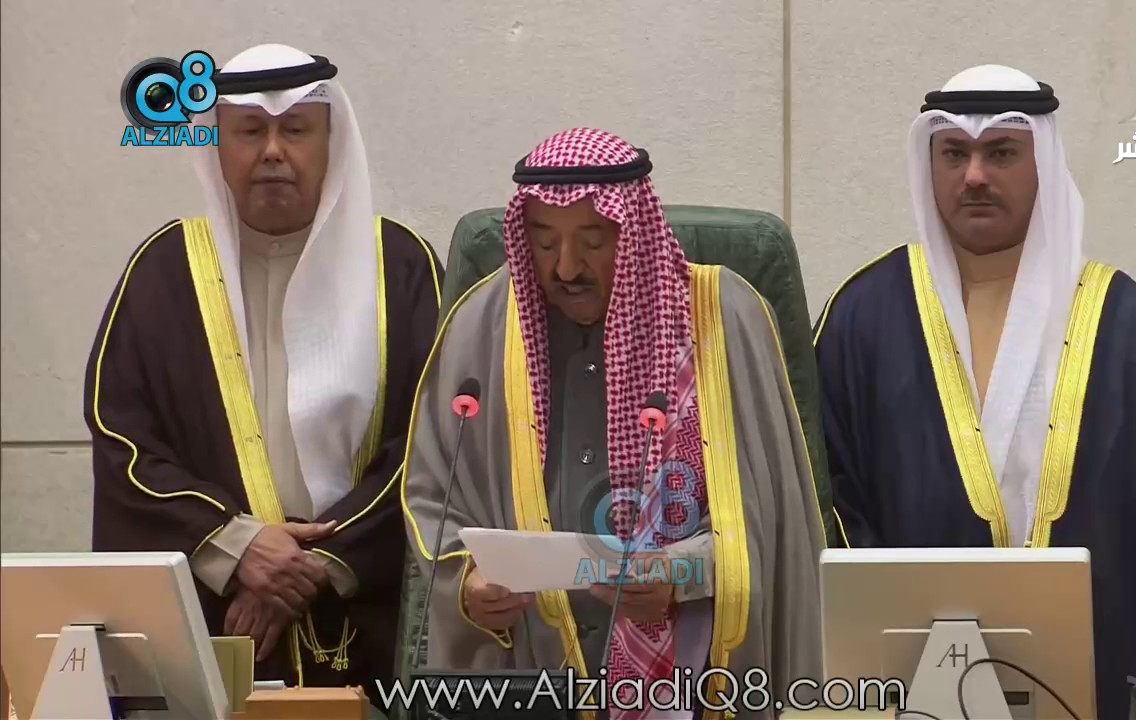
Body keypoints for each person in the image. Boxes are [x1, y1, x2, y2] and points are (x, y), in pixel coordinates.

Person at [813, 64, 1136, 719]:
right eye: (954, 153)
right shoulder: (862, 318)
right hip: (911, 682)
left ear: (1042, 163)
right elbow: (831, 509)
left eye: (1000, 152)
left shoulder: (1126, 325)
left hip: (1094, 674)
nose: (974, 175)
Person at [402, 128, 824, 719]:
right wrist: (466, 585)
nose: (565, 267)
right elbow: (431, 496)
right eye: (543, 243)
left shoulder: (720, 318)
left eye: (593, 241)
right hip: (530, 674)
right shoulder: (482, 327)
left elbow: (768, 522)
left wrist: (683, 572)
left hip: (697, 677)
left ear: (634, 232)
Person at [86, 43, 444, 703]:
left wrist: (311, 566)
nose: (273, 151)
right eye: (250, 131)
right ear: (218, 145)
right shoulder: (163, 272)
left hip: (362, 626)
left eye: (296, 130)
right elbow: (123, 443)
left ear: (331, 143)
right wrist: (237, 546)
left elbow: (433, 444)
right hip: (211, 618)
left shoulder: (400, 267)